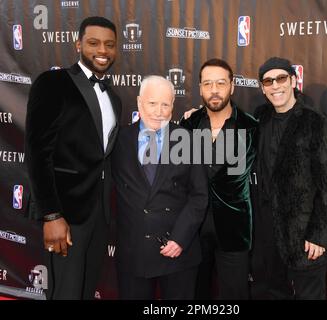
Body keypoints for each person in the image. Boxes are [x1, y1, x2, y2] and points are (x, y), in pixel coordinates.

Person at [25, 16, 121, 299]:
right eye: (93, 43)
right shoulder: (52, 83)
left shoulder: (113, 98)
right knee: (65, 292)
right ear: (78, 44)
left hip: (99, 214)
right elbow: (37, 152)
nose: (102, 50)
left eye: (109, 44)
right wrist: (51, 214)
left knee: (86, 289)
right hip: (66, 215)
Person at [250, 57, 327, 299]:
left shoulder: (315, 122)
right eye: (268, 81)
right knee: (269, 292)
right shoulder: (260, 118)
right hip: (267, 233)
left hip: (304, 234)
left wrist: (319, 235)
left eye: (280, 78)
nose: (275, 86)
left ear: (293, 81)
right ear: (262, 87)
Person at [112, 75, 208, 299]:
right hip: (133, 251)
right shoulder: (119, 139)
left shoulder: (188, 140)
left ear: (173, 106)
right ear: (139, 102)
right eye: (152, 103)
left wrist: (180, 238)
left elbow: (199, 196)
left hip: (177, 251)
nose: (159, 111)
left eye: (165, 104)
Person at [180, 58, 257, 299]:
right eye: (208, 83)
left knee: (234, 295)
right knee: (194, 292)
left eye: (221, 83)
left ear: (232, 86)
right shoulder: (189, 124)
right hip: (193, 227)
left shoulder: (250, 127)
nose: (214, 90)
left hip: (234, 230)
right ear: (200, 87)